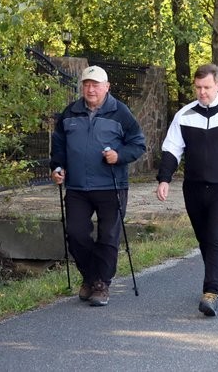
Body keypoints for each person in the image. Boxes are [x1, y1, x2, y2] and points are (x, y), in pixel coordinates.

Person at [155, 63, 218, 317]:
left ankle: (211, 291)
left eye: (207, 87)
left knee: (217, 236)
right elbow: (171, 149)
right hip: (195, 188)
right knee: (204, 238)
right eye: (198, 87)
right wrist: (164, 179)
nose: (202, 92)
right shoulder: (184, 115)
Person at [50, 65, 146, 307]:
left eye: (95, 85)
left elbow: (138, 144)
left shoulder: (120, 112)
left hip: (111, 185)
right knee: (75, 234)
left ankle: (101, 284)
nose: (90, 89)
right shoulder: (70, 112)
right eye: (86, 84)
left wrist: (119, 155)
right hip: (77, 187)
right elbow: (59, 145)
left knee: (108, 237)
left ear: (107, 87)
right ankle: (91, 278)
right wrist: (57, 167)